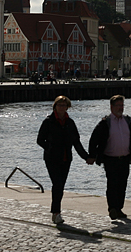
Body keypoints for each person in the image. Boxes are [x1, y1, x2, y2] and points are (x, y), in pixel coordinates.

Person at [37, 96, 93, 224]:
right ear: (55, 106)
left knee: (61, 186)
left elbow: (76, 143)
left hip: (66, 158)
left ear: (67, 107)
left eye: (64, 105)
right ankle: (56, 212)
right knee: (57, 184)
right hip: (52, 158)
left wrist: (86, 157)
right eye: (59, 105)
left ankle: (56, 212)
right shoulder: (48, 121)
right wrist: (49, 147)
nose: (62, 108)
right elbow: (40, 140)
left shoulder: (70, 123)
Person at [87, 94, 131, 219]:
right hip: (110, 158)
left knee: (122, 184)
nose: (120, 108)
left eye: (122, 105)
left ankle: (119, 208)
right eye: (118, 105)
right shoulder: (105, 122)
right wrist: (92, 155)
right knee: (112, 184)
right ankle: (112, 208)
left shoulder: (128, 121)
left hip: (125, 158)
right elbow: (94, 139)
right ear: (111, 107)